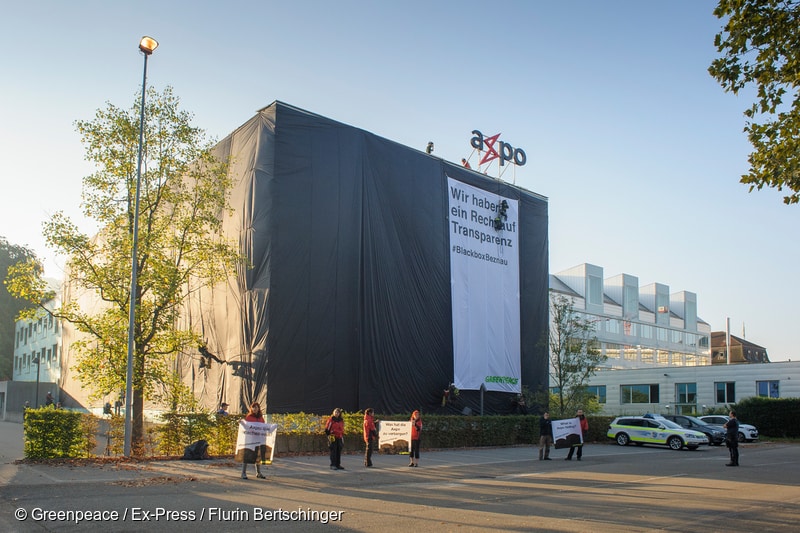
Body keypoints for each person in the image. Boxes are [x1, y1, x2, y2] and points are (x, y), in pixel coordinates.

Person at [241, 401, 267, 479]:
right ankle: (243, 473)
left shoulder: (261, 418)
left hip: (258, 439)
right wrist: (242, 423)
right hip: (250, 440)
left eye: (257, 407)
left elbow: (263, 428)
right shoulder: (249, 417)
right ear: (251, 409)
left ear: (259, 408)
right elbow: (246, 427)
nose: (255, 409)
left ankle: (258, 473)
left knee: (258, 456)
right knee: (247, 456)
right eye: (254, 407)